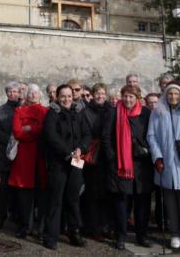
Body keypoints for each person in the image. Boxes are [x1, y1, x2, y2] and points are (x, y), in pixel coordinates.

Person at [147, 82, 180, 251]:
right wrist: (157, 157)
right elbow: (151, 136)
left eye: (176, 94)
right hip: (166, 164)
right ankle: (175, 233)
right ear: (166, 95)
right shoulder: (157, 112)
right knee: (170, 202)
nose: (173, 97)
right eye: (170, 94)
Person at [103, 84, 155, 249]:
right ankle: (121, 236)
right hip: (120, 165)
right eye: (125, 96)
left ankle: (142, 235)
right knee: (121, 203)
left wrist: (145, 148)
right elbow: (106, 138)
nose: (127, 99)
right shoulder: (113, 112)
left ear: (137, 98)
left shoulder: (146, 113)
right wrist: (113, 158)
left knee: (143, 203)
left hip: (142, 166)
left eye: (131, 96)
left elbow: (152, 134)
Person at [42, 84, 91, 250]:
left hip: (76, 162)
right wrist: (68, 152)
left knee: (73, 198)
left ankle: (74, 232)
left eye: (69, 96)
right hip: (59, 163)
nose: (66, 99)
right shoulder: (52, 113)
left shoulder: (79, 112)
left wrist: (81, 149)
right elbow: (51, 136)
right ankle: (51, 236)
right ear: (57, 96)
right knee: (56, 199)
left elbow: (87, 134)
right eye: (63, 96)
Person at [9, 84, 49, 239]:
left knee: (41, 195)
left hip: (40, 157)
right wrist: (33, 129)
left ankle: (40, 228)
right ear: (26, 95)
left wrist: (29, 128)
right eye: (30, 92)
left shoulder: (46, 111)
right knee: (25, 195)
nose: (32, 95)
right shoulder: (19, 110)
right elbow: (18, 132)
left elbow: (43, 130)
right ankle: (25, 226)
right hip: (24, 158)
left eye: (35, 92)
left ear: (40, 95)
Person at [80, 83, 113, 241]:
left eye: (102, 93)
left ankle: (104, 225)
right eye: (97, 93)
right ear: (92, 94)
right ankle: (93, 227)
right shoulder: (86, 111)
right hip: (92, 156)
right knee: (92, 193)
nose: (100, 96)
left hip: (107, 156)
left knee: (106, 193)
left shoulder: (111, 110)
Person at [0, 81, 22, 229]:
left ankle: (17, 214)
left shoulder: (24, 108)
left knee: (20, 186)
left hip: (23, 153)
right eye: (10, 91)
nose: (13, 94)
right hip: (6, 153)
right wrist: (11, 142)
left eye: (15, 91)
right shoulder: (0, 110)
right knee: (4, 187)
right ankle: (1, 215)